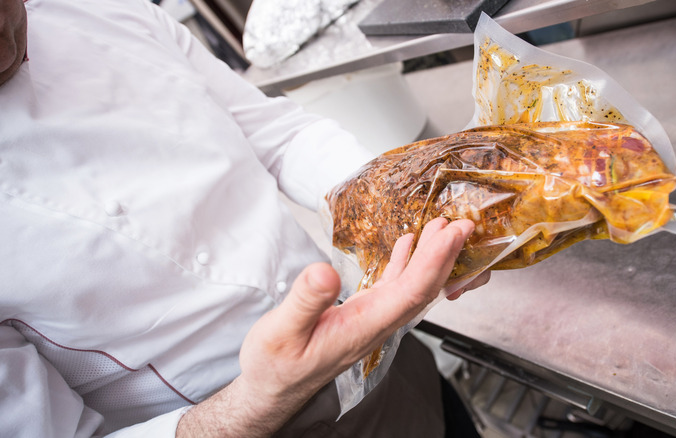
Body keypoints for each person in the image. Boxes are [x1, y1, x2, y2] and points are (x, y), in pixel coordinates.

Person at [0, 0, 488, 436]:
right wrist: (261, 400)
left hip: (382, 340)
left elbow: (278, 135)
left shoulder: (106, 12)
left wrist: (408, 210)